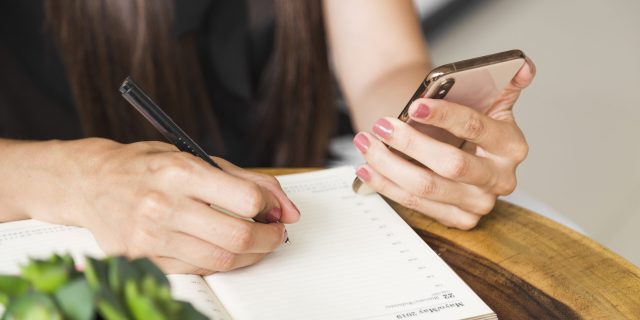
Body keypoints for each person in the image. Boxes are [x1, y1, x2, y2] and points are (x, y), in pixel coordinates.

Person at [0, 0, 535, 275]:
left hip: (294, 207)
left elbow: (384, 65)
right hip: (38, 221)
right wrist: (81, 177)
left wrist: (430, 134)